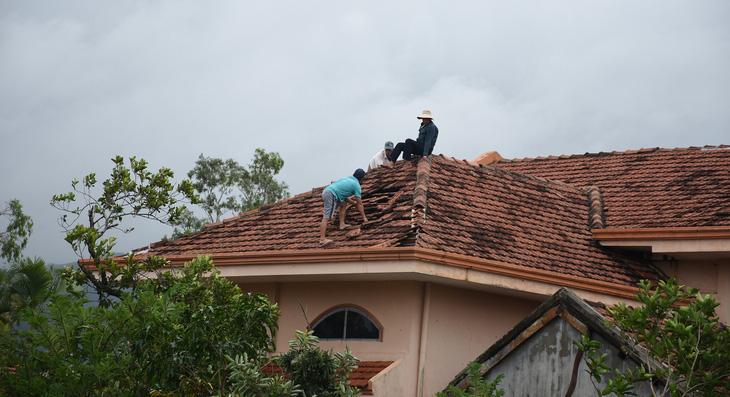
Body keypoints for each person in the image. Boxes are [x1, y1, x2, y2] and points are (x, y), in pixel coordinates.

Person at [320, 168, 368, 245]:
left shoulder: (347, 179)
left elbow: (343, 195)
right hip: (331, 194)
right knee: (327, 217)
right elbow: (360, 204)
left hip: (328, 191)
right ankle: (322, 239)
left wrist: (352, 202)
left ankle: (342, 224)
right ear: (362, 178)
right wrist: (364, 218)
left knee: (343, 203)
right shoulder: (356, 185)